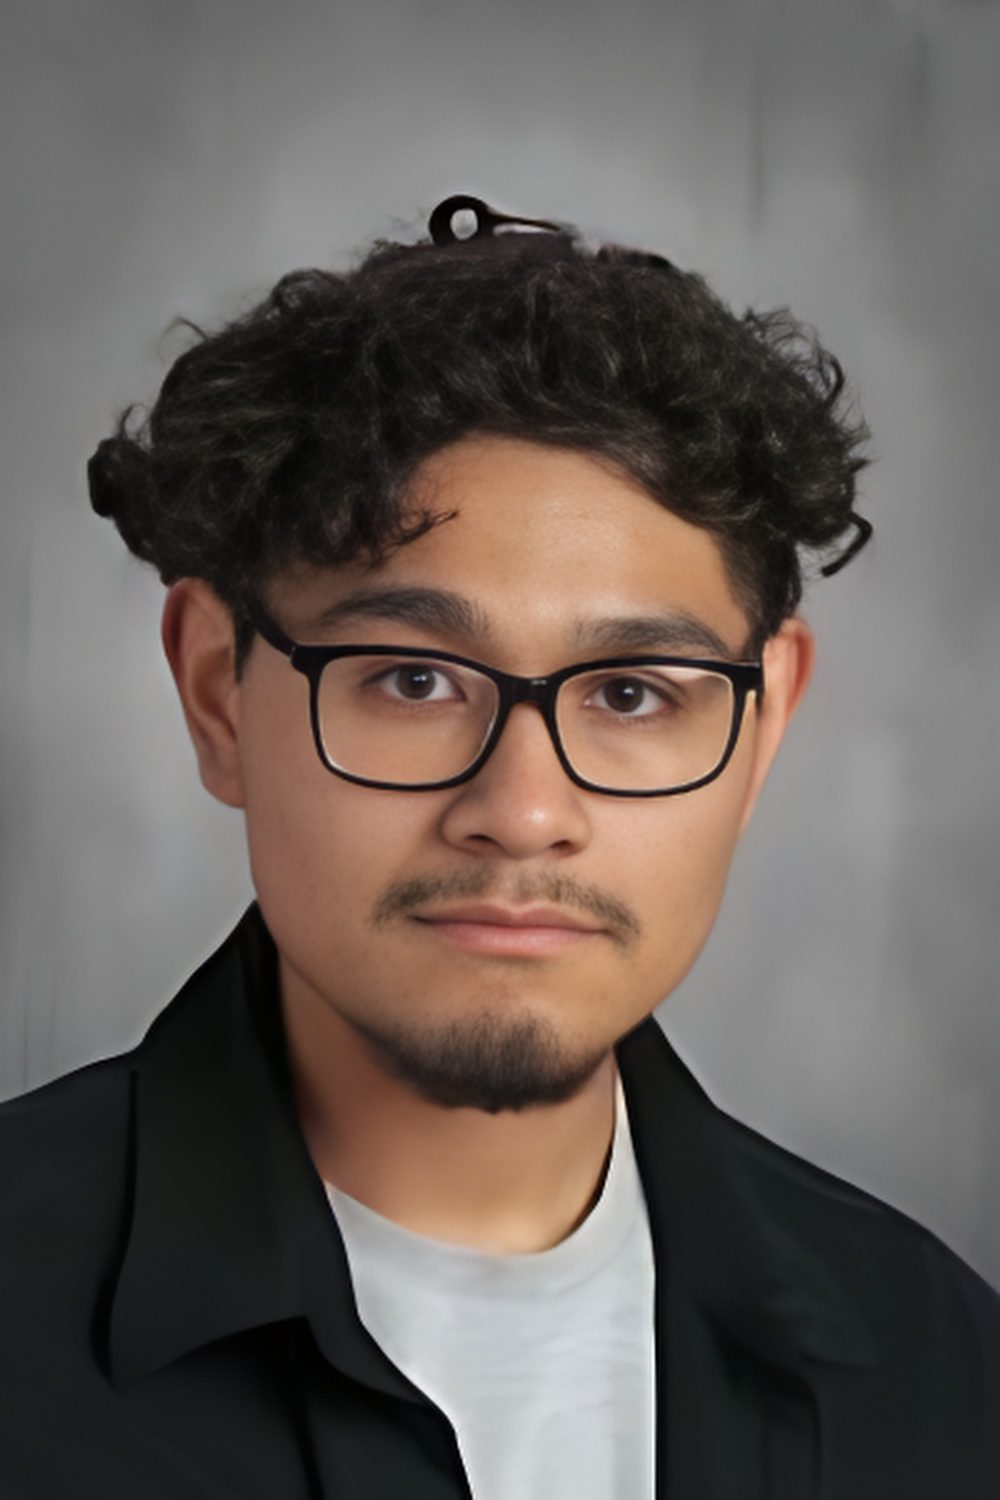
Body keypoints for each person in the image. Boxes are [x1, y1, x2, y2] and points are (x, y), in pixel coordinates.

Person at [2, 194, 997, 1500]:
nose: (523, 811)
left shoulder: (941, 1369)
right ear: (214, 691)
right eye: (412, 681)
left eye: (634, 693)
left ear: (764, 730)